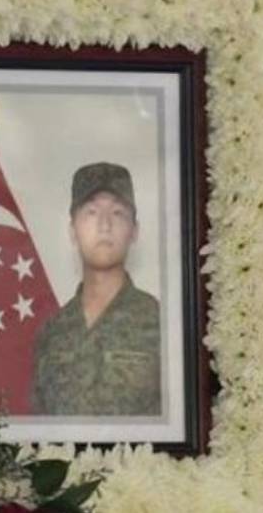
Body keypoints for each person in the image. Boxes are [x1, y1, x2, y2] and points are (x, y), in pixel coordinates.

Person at [32, 162, 161, 416]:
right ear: (73, 230)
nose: (104, 225)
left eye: (117, 213)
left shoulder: (162, 325)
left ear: (134, 231)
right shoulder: (51, 332)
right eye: (91, 212)